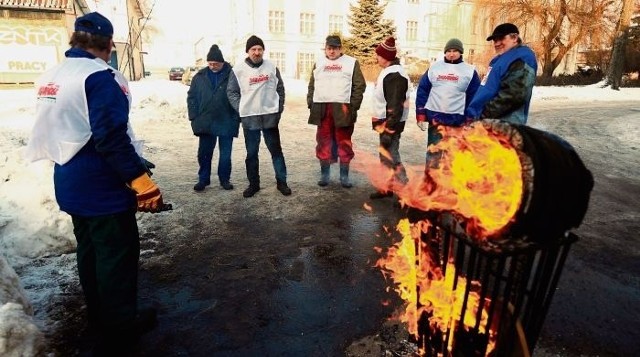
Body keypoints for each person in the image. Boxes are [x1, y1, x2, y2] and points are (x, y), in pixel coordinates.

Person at [24, 12, 162, 354]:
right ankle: (120, 326)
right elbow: (111, 137)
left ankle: (100, 315)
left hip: (69, 179)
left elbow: (74, 126)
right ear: (109, 44)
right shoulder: (100, 77)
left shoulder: (53, 73)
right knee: (116, 255)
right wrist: (140, 181)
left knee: (90, 251)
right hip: (102, 186)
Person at [227, 35, 291, 198]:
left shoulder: (271, 67)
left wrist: (278, 108)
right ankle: (254, 184)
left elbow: (280, 88)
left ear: (263, 50)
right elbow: (232, 92)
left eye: (259, 49)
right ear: (248, 51)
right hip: (250, 118)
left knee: (276, 152)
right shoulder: (238, 70)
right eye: (253, 49)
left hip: (270, 117)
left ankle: (282, 183)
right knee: (252, 154)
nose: (257, 52)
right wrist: (241, 109)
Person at [306, 35, 366, 188]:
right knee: (323, 141)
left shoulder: (351, 63)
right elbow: (312, 85)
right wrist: (310, 103)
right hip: (322, 109)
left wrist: (353, 106)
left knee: (344, 141)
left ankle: (344, 177)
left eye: (335, 48)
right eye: (329, 48)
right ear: (325, 48)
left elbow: (359, 86)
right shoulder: (319, 63)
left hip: (342, 110)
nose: (332, 51)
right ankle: (325, 175)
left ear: (340, 48)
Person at [187, 44, 239, 192]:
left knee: (225, 154)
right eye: (210, 64)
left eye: (216, 64)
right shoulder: (200, 76)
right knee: (204, 153)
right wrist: (194, 116)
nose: (213, 66)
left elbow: (239, 95)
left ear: (222, 62)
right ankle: (203, 179)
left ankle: (224, 180)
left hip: (227, 121)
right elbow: (191, 97)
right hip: (206, 121)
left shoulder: (232, 75)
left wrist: (236, 117)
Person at [415, 38, 480, 152]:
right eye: (449, 51)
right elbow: (423, 90)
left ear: (460, 52)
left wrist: (470, 119)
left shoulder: (469, 71)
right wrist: (421, 114)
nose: (451, 54)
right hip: (435, 119)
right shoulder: (434, 68)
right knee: (433, 153)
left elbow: (474, 97)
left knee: (452, 157)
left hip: (457, 121)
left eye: (455, 51)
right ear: (445, 52)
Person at [465, 23, 538, 124]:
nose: (497, 43)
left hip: (502, 125)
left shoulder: (522, 58)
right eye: (495, 40)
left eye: (501, 38)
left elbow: (513, 95)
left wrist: (483, 114)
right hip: (486, 122)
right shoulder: (500, 59)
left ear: (515, 38)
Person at [370, 37, 411, 200]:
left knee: (392, 157)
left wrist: (388, 130)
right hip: (385, 124)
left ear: (386, 56)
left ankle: (406, 192)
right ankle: (386, 188)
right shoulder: (389, 71)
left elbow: (395, 107)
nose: (376, 57)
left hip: (390, 125)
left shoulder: (395, 75)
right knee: (385, 157)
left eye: (379, 55)